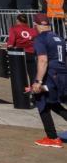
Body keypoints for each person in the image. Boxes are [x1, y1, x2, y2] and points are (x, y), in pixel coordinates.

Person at [29, 13, 67, 147]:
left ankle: (52, 137)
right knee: (53, 102)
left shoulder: (40, 39)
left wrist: (38, 81)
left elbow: (43, 60)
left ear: (36, 25)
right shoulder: (58, 37)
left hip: (50, 74)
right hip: (62, 73)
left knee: (41, 101)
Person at [7, 13, 37, 82]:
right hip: (31, 53)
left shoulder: (14, 29)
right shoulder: (33, 30)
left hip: (19, 54)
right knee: (33, 74)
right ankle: (34, 90)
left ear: (17, 21)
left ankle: (23, 90)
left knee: (20, 75)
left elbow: (10, 43)